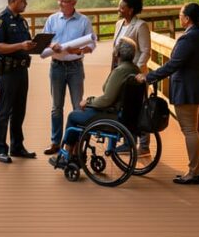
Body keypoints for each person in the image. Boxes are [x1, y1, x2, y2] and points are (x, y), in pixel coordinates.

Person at [136, 3, 199, 185]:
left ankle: (193, 173)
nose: (179, 17)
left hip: (187, 88)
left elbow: (173, 64)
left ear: (187, 18)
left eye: (180, 15)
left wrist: (149, 77)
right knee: (196, 129)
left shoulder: (188, 38)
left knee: (190, 130)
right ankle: (197, 170)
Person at [49, 38, 139, 166]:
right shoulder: (135, 69)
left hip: (112, 114)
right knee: (82, 114)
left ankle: (68, 155)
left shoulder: (120, 71)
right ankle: (76, 153)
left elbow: (107, 99)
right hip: (124, 113)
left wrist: (89, 101)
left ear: (117, 53)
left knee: (74, 116)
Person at [42, 0, 96, 156]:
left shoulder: (83, 21)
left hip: (75, 67)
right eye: (59, 0)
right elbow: (43, 41)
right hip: (56, 66)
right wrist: (52, 45)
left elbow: (92, 44)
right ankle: (55, 143)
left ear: (73, 3)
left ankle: (75, 144)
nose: (60, 3)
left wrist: (81, 50)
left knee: (77, 107)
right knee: (56, 107)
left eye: (64, 1)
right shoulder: (52, 19)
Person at [0, 0, 38, 163]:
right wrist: (20, 46)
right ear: (13, 1)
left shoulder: (22, 21)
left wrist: (34, 45)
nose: (26, 3)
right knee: (4, 111)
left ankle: (17, 146)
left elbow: (26, 42)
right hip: (8, 72)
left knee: (19, 110)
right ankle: (1, 150)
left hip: (22, 70)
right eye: (23, 0)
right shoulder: (0, 20)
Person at [112, 0, 152, 155]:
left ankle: (144, 146)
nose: (119, 9)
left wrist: (136, 70)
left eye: (122, 7)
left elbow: (146, 51)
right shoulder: (119, 24)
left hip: (135, 74)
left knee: (139, 107)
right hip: (120, 72)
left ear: (131, 9)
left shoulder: (140, 26)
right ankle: (128, 142)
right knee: (125, 107)